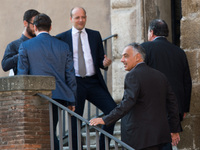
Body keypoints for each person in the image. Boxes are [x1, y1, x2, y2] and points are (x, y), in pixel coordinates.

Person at [90, 43, 182, 150]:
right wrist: (174, 130)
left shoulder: (132, 75)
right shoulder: (160, 75)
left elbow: (126, 104)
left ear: (137, 57)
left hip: (140, 140)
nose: (122, 60)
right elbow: (173, 104)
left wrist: (105, 119)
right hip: (161, 138)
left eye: (126, 56)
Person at [56, 7, 117, 150]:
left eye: (83, 17)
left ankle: (103, 146)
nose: (80, 20)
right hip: (75, 83)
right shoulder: (61, 38)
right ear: (71, 19)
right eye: (77, 17)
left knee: (113, 110)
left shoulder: (95, 35)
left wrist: (104, 63)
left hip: (94, 82)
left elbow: (100, 60)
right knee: (74, 120)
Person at [17, 13, 77, 150]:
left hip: (36, 97)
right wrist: (72, 99)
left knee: (44, 133)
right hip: (59, 97)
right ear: (50, 27)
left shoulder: (25, 46)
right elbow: (70, 74)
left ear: (35, 27)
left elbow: (22, 76)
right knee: (50, 131)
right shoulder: (63, 46)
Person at [141, 19, 192, 123]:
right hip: (175, 107)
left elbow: (139, 76)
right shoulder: (179, 52)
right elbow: (187, 82)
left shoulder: (144, 48)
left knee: (155, 138)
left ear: (151, 32)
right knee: (172, 138)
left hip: (151, 107)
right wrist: (185, 108)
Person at [1, 9, 40, 75]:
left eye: (38, 25)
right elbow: (5, 65)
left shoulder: (40, 43)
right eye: (33, 24)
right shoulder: (13, 45)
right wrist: (22, 54)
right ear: (25, 23)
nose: (36, 28)